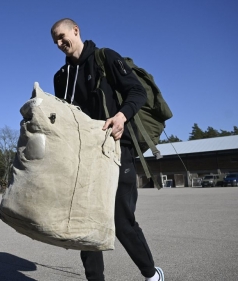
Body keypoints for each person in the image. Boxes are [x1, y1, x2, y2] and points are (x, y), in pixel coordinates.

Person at [50, 18, 164, 281]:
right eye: (55, 40)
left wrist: (122, 116)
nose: (59, 43)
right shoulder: (61, 77)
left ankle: (152, 275)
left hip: (116, 148)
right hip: (82, 157)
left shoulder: (105, 58)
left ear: (76, 31)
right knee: (86, 224)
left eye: (62, 36)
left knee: (122, 222)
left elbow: (137, 91)